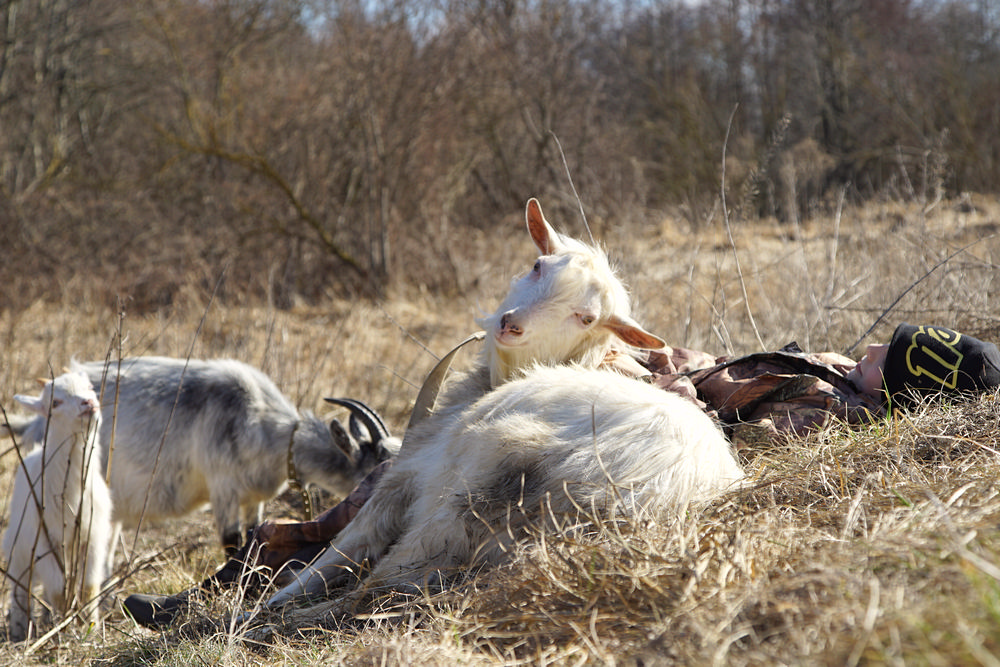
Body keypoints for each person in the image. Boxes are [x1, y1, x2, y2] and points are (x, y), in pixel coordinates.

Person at [122, 322, 1000, 629]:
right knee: (417, 455)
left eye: (892, 356)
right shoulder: (832, 368)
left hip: (635, 432)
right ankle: (254, 581)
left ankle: (249, 594)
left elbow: (742, 439)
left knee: (394, 491)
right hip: (634, 394)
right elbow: (716, 369)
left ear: (906, 389)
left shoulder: (828, 412)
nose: (873, 348)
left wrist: (658, 386)